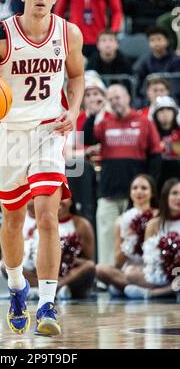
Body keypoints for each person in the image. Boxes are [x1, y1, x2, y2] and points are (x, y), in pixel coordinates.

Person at [0, 0, 85, 336]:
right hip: (9, 134)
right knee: (12, 220)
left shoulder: (69, 33)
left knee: (48, 215)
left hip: (48, 131)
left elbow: (76, 76)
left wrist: (74, 109)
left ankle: (48, 302)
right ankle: (17, 288)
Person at [83, 83, 162, 266]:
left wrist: (149, 186)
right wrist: (92, 115)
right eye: (110, 100)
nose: (114, 102)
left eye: (117, 97)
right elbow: (85, 140)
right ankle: (107, 278)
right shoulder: (104, 123)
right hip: (108, 191)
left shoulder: (144, 122)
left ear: (128, 97)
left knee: (136, 238)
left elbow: (156, 155)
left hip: (136, 196)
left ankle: (137, 273)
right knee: (106, 237)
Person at [96, 174, 158, 296]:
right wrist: (131, 240)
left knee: (119, 285)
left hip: (152, 268)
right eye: (135, 188)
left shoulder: (158, 216)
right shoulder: (121, 220)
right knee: (100, 269)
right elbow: (118, 261)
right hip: (129, 269)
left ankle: (132, 287)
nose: (139, 191)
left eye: (144, 188)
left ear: (152, 193)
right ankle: (136, 288)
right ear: (130, 193)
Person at [23, 198, 96, 300]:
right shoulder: (41, 223)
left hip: (70, 275)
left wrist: (68, 259)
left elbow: (89, 260)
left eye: (64, 198)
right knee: (9, 267)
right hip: (44, 274)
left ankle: (52, 289)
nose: (59, 201)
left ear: (71, 201)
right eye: (57, 197)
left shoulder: (82, 224)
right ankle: (50, 290)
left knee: (89, 266)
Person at [123, 178, 180, 299]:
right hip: (163, 274)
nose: (178, 198)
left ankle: (154, 293)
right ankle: (172, 290)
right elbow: (148, 259)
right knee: (130, 273)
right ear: (165, 197)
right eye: (174, 193)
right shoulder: (154, 224)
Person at [135, 27, 180, 105]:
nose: (156, 43)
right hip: (148, 99)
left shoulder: (176, 60)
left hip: (172, 98)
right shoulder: (144, 61)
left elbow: (176, 85)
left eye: (159, 39)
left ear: (167, 41)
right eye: (152, 40)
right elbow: (139, 83)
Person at [151, 96, 180, 191]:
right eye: (161, 110)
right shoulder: (150, 134)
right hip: (158, 179)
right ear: (155, 114)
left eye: (168, 110)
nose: (165, 113)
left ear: (174, 112)